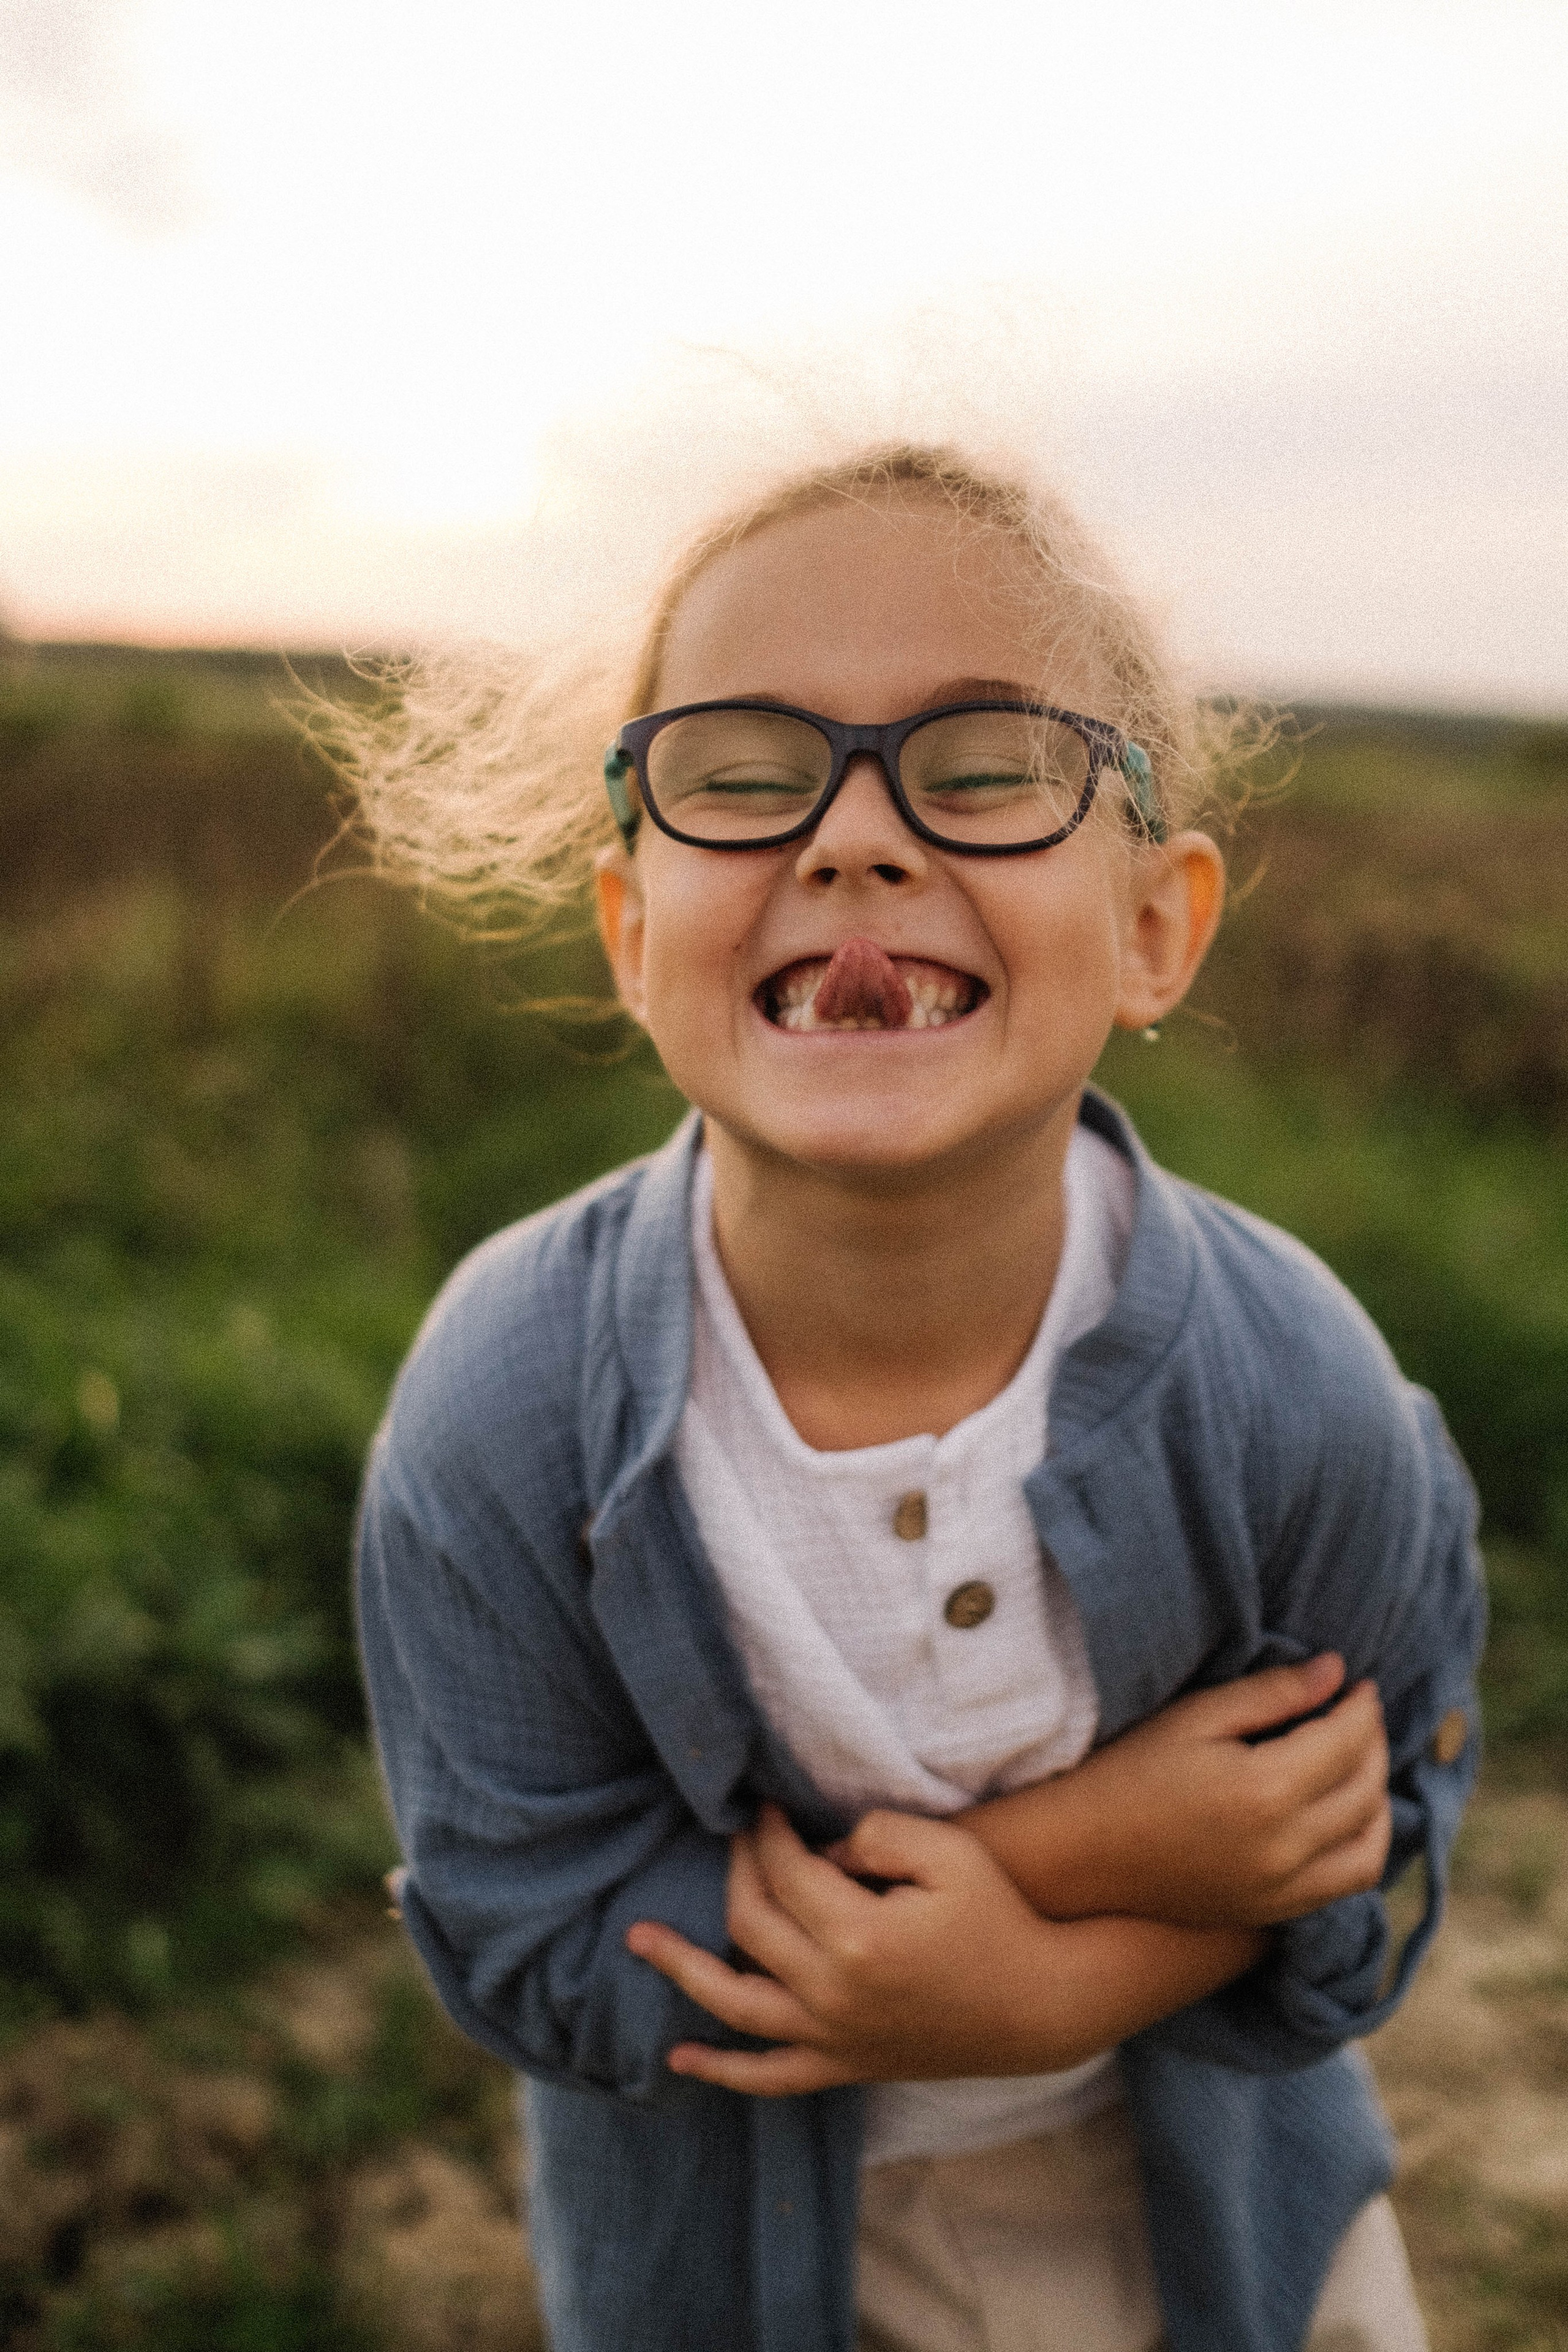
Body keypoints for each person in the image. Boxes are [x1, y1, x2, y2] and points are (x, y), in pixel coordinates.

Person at [352, 443, 1483, 2352]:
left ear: (1155, 927)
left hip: (1235, 2245)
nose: (856, 839)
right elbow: (526, 1940)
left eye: (981, 766)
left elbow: (1385, 1842)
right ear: (633, 933)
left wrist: (1056, 1994)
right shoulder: (505, 1412)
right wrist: (1076, 1864)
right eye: (738, 770)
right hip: (738, 2283)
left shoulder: (1295, 1390)